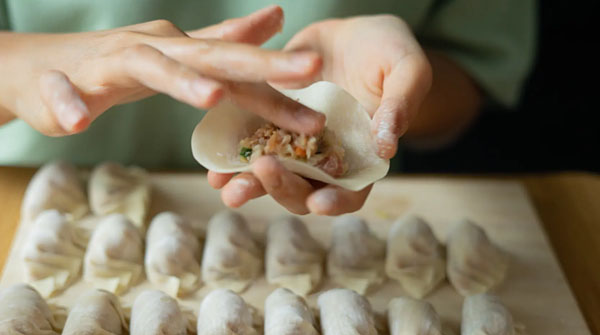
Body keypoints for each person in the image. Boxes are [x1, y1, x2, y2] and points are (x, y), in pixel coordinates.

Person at [0, 1, 536, 215]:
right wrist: (20, 65)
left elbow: (474, 74)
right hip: (44, 198)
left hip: (364, 219)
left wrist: (396, 94)